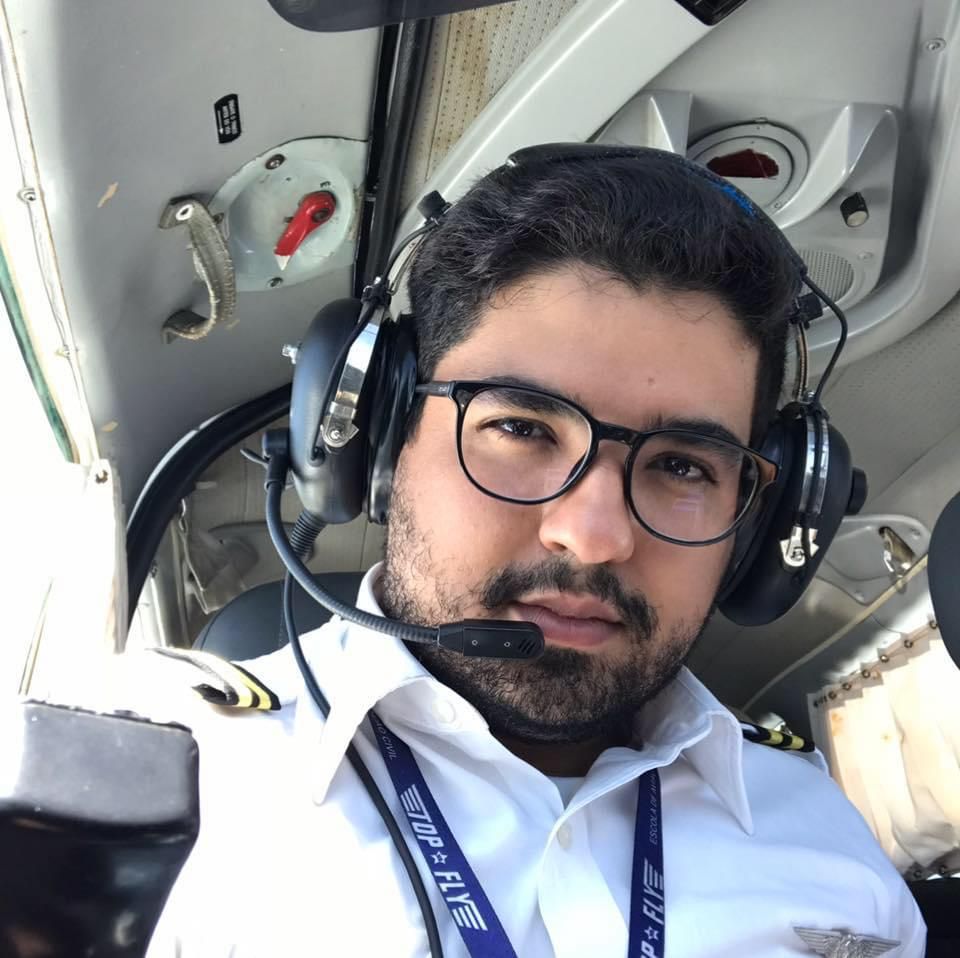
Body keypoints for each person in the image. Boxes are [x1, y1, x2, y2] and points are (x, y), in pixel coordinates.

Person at [144, 150, 926, 956]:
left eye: (682, 466)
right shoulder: (170, 775)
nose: (594, 536)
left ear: (756, 522)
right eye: (521, 428)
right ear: (382, 441)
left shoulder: (834, 853)